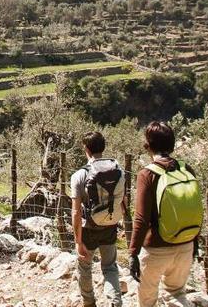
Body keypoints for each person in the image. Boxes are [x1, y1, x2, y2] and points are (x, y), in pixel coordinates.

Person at [129, 122, 202, 307]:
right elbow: (194, 208)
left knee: (147, 301)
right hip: (185, 245)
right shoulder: (186, 169)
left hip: (156, 249)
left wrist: (133, 253)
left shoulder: (147, 174)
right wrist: (195, 242)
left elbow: (141, 218)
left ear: (148, 145)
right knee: (176, 294)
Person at [71, 131, 125, 307]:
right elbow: (122, 201)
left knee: (85, 267)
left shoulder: (79, 175)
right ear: (103, 147)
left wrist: (78, 240)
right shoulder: (118, 170)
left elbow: (76, 212)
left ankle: (89, 303)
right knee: (110, 268)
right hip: (110, 225)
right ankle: (114, 303)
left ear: (86, 149)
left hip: (88, 229)